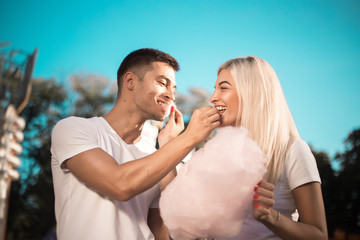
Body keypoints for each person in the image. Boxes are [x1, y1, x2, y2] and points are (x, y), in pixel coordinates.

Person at [50, 48, 220, 240]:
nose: (170, 95)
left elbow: (166, 229)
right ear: (130, 81)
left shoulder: (156, 157)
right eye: (162, 83)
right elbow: (120, 185)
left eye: (174, 89)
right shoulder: (74, 129)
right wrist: (189, 138)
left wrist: (168, 145)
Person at [209, 56, 328, 239]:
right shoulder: (217, 155)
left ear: (252, 92)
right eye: (215, 89)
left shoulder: (293, 151)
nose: (213, 97)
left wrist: (269, 216)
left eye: (223, 88)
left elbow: (319, 235)